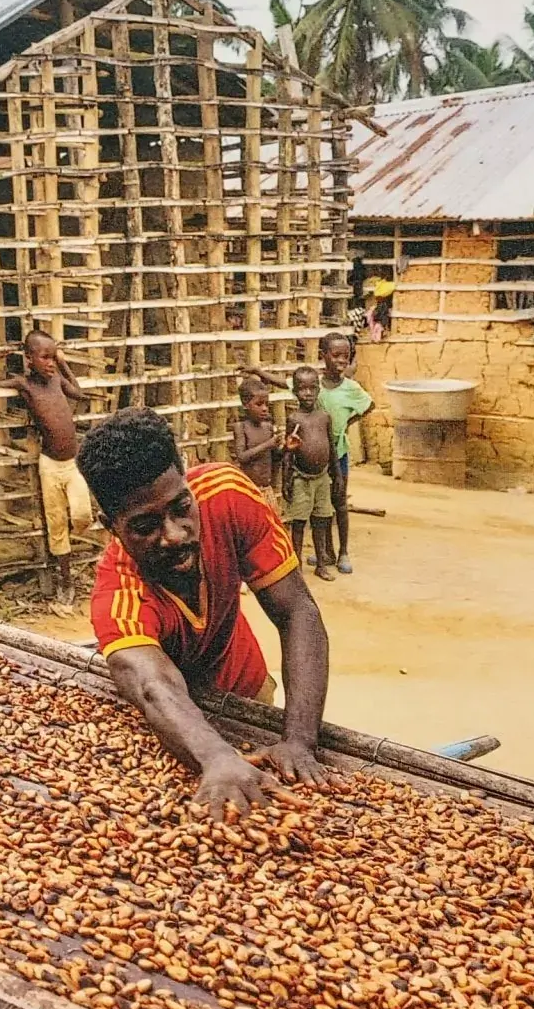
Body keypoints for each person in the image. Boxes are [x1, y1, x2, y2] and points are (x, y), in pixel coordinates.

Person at [77, 408, 331, 817]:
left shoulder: (227, 493)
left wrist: (299, 739)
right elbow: (153, 686)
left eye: (181, 507)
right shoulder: (118, 593)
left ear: (187, 483)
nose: (174, 535)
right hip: (184, 720)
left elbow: (297, 611)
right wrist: (216, 757)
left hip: (248, 684)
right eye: (145, 526)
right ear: (112, 526)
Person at [14, 329, 93, 600]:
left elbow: (79, 394)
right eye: (44, 357)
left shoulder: (57, 380)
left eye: (52, 356)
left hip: (72, 463)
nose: (49, 362)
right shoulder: (26, 386)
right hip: (49, 466)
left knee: (82, 514)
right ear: (29, 359)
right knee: (56, 524)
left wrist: (63, 363)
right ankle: (66, 582)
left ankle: (67, 542)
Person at [318, 330, 374, 574]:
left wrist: (347, 424)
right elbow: (288, 384)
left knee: (339, 502)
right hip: (317, 455)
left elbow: (369, 405)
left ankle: (343, 552)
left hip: (338, 452)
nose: (341, 361)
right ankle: (326, 552)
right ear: (324, 356)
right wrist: (258, 373)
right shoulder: (313, 384)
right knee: (321, 505)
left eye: (346, 356)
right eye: (336, 355)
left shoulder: (351, 388)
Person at [282, 365, 340, 580]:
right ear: (295, 391)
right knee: (298, 522)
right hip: (301, 478)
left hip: (322, 478)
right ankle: (296, 564)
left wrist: (338, 477)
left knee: (321, 520)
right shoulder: (294, 419)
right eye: (302, 389)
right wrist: (286, 482)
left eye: (312, 388)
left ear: (318, 390)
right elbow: (289, 452)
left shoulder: (324, 417)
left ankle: (321, 563)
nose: (307, 393)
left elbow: (331, 449)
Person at [231, 369, 279, 501]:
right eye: (259, 404)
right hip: (248, 490)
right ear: (246, 405)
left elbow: (275, 457)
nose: (264, 408)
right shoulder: (241, 427)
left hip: (266, 489)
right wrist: (267, 444)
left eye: (266, 404)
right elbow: (241, 456)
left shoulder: (268, 427)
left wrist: (286, 447)